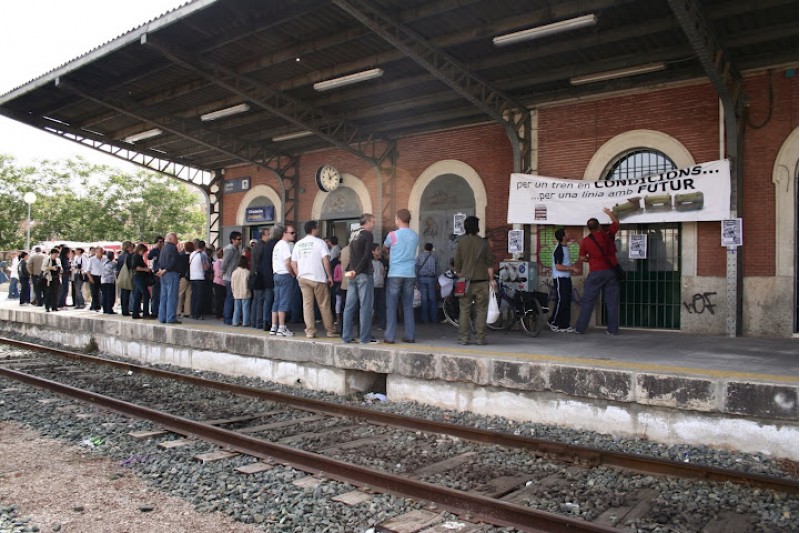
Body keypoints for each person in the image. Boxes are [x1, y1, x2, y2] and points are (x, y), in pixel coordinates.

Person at [574, 207, 621, 335]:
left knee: (588, 301)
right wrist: (610, 213)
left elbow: (582, 257)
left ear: (588, 228)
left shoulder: (586, 241)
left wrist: (590, 259)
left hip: (595, 272)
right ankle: (612, 330)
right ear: (599, 226)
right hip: (610, 272)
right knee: (612, 302)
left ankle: (581, 328)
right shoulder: (607, 235)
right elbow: (616, 223)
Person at [291, 220, 337, 339]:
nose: (319, 230)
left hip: (303, 278)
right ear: (313, 229)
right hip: (318, 278)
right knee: (324, 305)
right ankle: (330, 331)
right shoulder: (320, 242)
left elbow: (293, 263)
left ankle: (310, 331)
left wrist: (298, 275)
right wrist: (329, 276)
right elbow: (325, 261)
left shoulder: (298, 244)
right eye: (318, 228)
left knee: (307, 305)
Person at [454, 215, 496, 345]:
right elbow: (489, 263)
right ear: (477, 228)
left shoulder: (461, 243)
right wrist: (491, 279)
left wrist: (460, 274)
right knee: (481, 310)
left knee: (464, 310)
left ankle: (463, 338)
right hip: (482, 282)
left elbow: (457, 262)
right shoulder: (484, 243)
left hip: (464, 282)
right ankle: (480, 338)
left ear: (465, 227)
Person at [383, 208, 419, 344]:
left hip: (395, 273)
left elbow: (385, 247)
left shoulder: (392, 235)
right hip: (410, 273)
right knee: (408, 305)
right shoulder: (415, 236)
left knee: (391, 306)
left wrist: (390, 252)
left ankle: (390, 337)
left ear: (398, 220)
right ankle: (410, 335)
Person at [342, 214, 377, 344]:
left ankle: (346, 336)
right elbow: (367, 255)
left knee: (349, 307)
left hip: (352, 274)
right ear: (367, 222)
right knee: (365, 307)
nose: (374, 224)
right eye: (373, 221)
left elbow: (352, 255)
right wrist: (357, 270)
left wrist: (351, 270)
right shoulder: (368, 234)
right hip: (363, 274)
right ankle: (365, 337)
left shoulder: (353, 234)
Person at [548, 228, 579, 333]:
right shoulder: (559, 249)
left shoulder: (566, 247)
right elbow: (558, 266)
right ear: (563, 237)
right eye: (566, 233)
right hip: (560, 278)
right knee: (561, 300)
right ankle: (553, 322)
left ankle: (564, 325)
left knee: (567, 300)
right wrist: (571, 268)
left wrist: (570, 269)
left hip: (566, 278)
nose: (569, 234)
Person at [270, 224, 296, 336]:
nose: (294, 235)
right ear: (284, 233)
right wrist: (293, 273)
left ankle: (273, 327)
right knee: (284, 301)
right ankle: (281, 327)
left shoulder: (277, 245)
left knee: (277, 301)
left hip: (276, 274)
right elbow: (287, 262)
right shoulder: (285, 245)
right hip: (285, 275)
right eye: (292, 233)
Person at [253, 226, 280, 331]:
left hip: (264, 276)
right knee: (264, 300)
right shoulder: (266, 246)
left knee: (263, 300)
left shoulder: (264, 246)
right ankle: (263, 322)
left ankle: (261, 322)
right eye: (268, 234)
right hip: (266, 276)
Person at [156, 232, 181, 324]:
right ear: (171, 239)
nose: (177, 240)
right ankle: (170, 318)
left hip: (163, 274)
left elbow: (159, 261)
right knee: (172, 296)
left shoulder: (163, 248)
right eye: (176, 238)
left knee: (164, 296)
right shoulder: (173, 248)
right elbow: (173, 261)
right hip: (171, 273)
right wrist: (166, 270)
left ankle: (162, 317)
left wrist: (160, 270)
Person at [221, 231, 243, 325]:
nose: (240, 241)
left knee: (232, 297)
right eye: (238, 239)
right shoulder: (230, 249)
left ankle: (231, 317)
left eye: (240, 239)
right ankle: (227, 318)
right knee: (230, 297)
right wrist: (223, 272)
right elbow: (225, 262)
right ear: (232, 240)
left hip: (233, 276)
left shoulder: (236, 249)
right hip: (229, 277)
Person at [415, 242, 438, 324]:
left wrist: (416, 280)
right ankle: (434, 318)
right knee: (432, 298)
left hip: (421, 278)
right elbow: (437, 270)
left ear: (424, 248)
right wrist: (437, 281)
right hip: (431, 279)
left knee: (424, 299)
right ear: (431, 249)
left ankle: (425, 319)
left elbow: (416, 269)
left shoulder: (419, 256)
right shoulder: (434, 257)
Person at [131, 243, 153, 319]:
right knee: (146, 294)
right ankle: (145, 313)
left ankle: (135, 313)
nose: (143, 253)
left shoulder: (137, 256)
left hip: (139, 277)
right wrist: (145, 269)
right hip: (139, 277)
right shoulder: (136, 257)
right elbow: (135, 267)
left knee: (138, 296)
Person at [189, 240, 209, 320]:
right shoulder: (203, 254)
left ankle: (193, 312)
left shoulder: (192, 254)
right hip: (200, 277)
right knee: (199, 296)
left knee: (194, 296)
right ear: (204, 247)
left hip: (192, 277)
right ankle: (197, 314)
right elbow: (205, 267)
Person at [231, 255, 251, 326]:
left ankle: (235, 321)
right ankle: (245, 322)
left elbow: (232, 284)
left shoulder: (234, 272)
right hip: (245, 292)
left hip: (236, 292)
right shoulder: (247, 272)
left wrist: (233, 291)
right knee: (245, 309)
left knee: (237, 309)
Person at [148, 236, 165, 318]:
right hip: (156, 274)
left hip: (163, 273)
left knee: (162, 293)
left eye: (162, 242)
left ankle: (162, 311)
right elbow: (149, 257)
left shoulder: (165, 250)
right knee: (155, 293)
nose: (161, 244)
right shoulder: (155, 251)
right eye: (159, 242)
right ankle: (154, 311)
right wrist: (155, 248)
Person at [85, 247, 105, 311]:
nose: (101, 253)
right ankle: (95, 306)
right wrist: (90, 278)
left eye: (101, 251)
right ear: (96, 252)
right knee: (94, 292)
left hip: (102, 276)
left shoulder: (105, 259)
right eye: (99, 251)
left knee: (103, 292)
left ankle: (102, 305)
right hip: (94, 276)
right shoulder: (92, 259)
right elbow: (88, 270)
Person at [371, 244, 386, 330]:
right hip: (373, 285)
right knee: (372, 305)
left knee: (381, 305)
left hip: (380, 285)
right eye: (378, 249)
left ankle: (381, 324)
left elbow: (383, 273)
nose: (380, 251)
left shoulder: (380, 263)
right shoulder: (370, 262)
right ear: (373, 251)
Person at [100, 250, 117, 314]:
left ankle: (105, 309)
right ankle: (109, 309)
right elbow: (115, 272)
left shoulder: (103, 263)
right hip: (110, 281)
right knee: (110, 295)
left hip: (103, 280)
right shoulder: (113, 263)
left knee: (104, 295)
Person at [212, 249, 226, 319]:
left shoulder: (221, 262)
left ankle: (220, 312)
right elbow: (218, 273)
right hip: (219, 282)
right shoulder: (218, 262)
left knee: (221, 298)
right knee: (218, 299)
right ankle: (218, 314)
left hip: (222, 282)